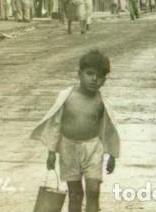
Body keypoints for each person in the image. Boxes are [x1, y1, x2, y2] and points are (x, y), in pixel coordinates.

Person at [32, 49, 120, 212]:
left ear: (104, 80)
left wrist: (112, 155)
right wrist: (51, 151)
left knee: (93, 191)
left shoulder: (101, 102)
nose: (94, 79)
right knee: (75, 193)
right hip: (68, 149)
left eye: (99, 76)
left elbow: (108, 129)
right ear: (79, 74)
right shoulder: (67, 97)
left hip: (93, 148)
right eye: (89, 73)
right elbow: (56, 125)